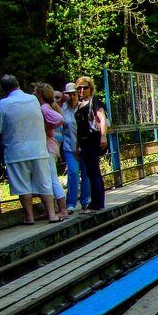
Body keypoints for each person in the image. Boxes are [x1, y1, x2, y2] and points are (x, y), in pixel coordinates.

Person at [0, 75, 59, 225]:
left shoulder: (3, 104)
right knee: (44, 182)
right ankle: (52, 214)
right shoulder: (33, 100)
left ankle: (29, 217)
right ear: (18, 84)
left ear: (4, 89)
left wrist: (0, 151)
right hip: (39, 149)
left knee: (22, 185)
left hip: (16, 151)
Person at [74, 75, 108, 212]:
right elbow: (78, 127)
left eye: (85, 87)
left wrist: (103, 136)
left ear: (90, 88)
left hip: (93, 140)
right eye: (79, 88)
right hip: (83, 142)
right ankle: (97, 203)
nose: (82, 90)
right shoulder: (79, 104)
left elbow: (102, 119)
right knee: (89, 172)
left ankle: (96, 203)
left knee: (93, 172)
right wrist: (77, 146)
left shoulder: (94, 101)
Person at [36, 83, 69, 220]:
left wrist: (47, 129)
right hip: (50, 147)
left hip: (48, 147)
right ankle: (52, 209)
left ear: (40, 94)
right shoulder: (50, 107)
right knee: (48, 179)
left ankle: (62, 209)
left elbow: (60, 119)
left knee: (52, 179)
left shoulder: (44, 107)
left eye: (35, 91)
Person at [60, 82, 88, 212]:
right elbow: (59, 129)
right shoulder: (61, 109)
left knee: (86, 174)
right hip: (69, 146)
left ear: (78, 94)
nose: (72, 97)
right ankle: (70, 203)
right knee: (73, 172)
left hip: (85, 146)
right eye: (69, 94)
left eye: (73, 94)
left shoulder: (84, 106)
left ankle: (85, 200)